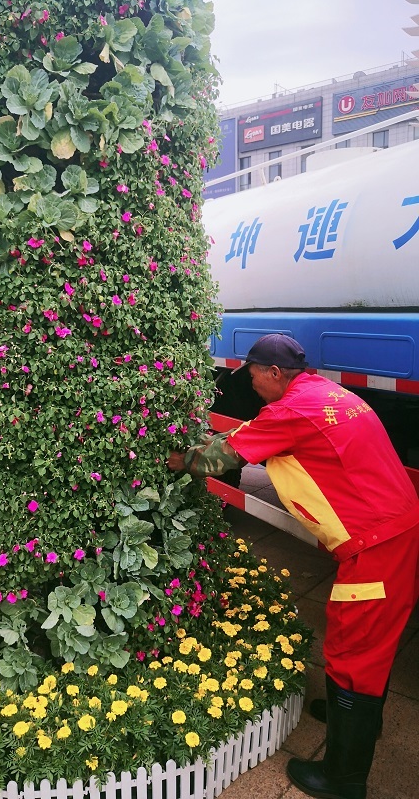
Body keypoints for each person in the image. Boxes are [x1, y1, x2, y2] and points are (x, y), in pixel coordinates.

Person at [168, 333, 419, 799]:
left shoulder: (289, 412)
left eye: (254, 375)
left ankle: (343, 778)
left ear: (275, 373)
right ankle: (360, 721)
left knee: (352, 650)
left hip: (377, 546)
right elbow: (247, 435)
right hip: (398, 527)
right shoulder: (325, 393)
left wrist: (178, 459)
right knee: (373, 644)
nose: (250, 383)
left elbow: (225, 456)